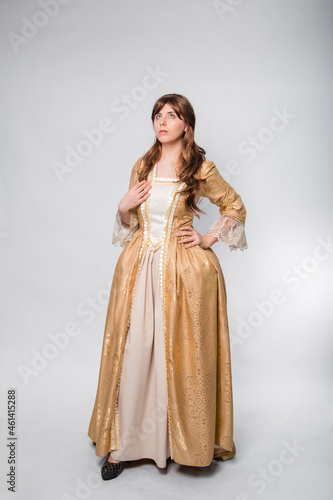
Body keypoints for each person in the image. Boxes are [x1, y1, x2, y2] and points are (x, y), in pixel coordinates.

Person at [88, 93, 248, 480]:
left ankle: (180, 441)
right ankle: (123, 444)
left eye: (171, 115)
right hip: (140, 267)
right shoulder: (143, 165)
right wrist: (124, 206)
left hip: (182, 272)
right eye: (157, 115)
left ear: (186, 125)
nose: (162, 121)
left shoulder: (200, 168)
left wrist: (207, 239)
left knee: (177, 353)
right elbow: (130, 227)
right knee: (136, 350)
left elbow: (235, 206)